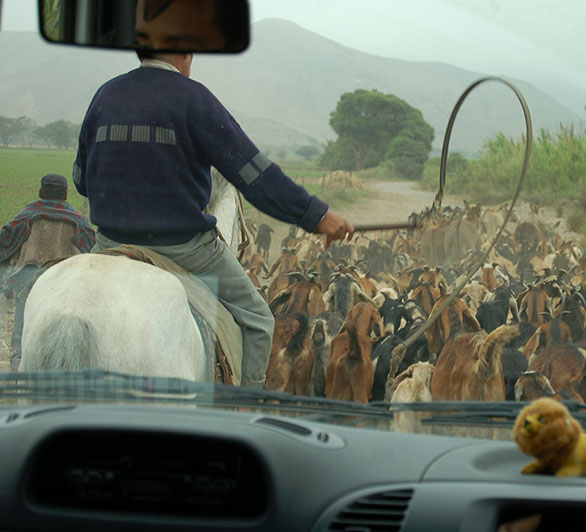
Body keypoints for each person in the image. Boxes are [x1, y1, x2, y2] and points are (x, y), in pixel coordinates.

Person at [73, 44, 354, 387]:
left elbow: (80, 180)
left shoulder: (105, 95)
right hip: (186, 250)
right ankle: (242, 410)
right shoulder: (194, 99)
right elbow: (256, 177)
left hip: (108, 244)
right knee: (259, 320)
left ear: (139, 50)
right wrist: (318, 216)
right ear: (187, 52)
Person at [0, 174, 96, 371]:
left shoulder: (26, 216)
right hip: (66, 285)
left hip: (29, 286)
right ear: (66, 195)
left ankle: (18, 382)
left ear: (41, 192)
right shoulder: (78, 222)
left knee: (21, 342)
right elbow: (92, 250)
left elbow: (6, 243)